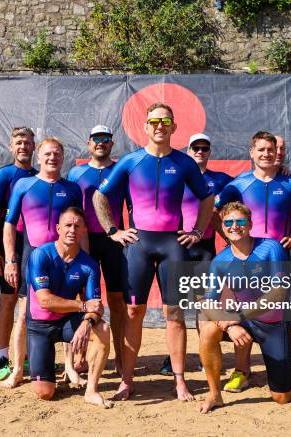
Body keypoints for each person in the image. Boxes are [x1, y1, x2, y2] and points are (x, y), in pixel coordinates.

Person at [93, 102, 214, 401]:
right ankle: (126, 380)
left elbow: (207, 198)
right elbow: (100, 197)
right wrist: (113, 231)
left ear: (173, 128)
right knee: (134, 311)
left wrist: (197, 231)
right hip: (139, 244)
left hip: (173, 244)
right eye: (154, 121)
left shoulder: (184, 164)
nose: (159, 125)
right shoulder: (131, 161)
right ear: (145, 127)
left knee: (175, 313)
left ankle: (180, 381)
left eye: (165, 121)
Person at [214, 130, 291, 392]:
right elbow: (216, 210)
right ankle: (241, 372)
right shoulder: (239, 184)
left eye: (270, 150)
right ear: (252, 153)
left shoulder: (290, 183)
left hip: (276, 259)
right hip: (245, 258)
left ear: (277, 153)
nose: (266, 154)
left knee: (278, 315)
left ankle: (290, 371)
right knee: (242, 315)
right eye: (261, 150)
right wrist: (230, 241)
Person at [198, 202, 291, 413]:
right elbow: (207, 302)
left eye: (240, 221)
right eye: (228, 222)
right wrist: (228, 326)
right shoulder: (221, 261)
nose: (234, 226)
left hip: (273, 324)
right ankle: (214, 394)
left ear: (250, 224)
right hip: (244, 321)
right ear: (223, 226)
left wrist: (237, 317)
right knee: (208, 328)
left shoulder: (271, 248)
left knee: (282, 397)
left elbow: (278, 293)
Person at [3, 137, 83, 387]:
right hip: (32, 257)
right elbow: (8, 225)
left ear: (63, 157)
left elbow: (79, 227)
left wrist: (84, 260)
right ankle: (17, 369)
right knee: (24, 315)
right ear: (38, 157)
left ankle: (69, 367)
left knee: (68, 310)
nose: (52, 158)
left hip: (66, 259)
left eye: (57, 154)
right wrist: (10, 260)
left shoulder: (72, 189)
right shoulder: (23, 185)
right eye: (47, 154)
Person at [160, 132, 233, 375]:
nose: (200, 152)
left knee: (206, 305)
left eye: (204, 148)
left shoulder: (221, 180)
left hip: (204, 250)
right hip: (176, 248)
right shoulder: (177, 176)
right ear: (188, 151)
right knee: (174, 308)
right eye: (195, 148)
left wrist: (283, 170)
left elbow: (251, 183)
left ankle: (206, 355)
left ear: (210, 151)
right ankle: (174, 359)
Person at [26, 207, 111, 407]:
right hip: (39, 327)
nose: (72, 230)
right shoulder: (40, 255)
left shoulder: (89, 264)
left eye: (77, 226)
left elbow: (96, 306)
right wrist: (82, 306)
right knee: (44, 393)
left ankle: (91, 390)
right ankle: (48, 374)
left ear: (83, 230)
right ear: (58, 228)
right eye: (67, 225)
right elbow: (45, 301)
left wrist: (88, 322)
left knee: (103, 329)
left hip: (66, 322)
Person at [68, 125, 126, 374]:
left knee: (117, 300)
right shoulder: (75, 173)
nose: (100, 142)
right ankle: (79, 356)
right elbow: (69, 212)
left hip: (114, 241)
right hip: (84, 242)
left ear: (111, 144)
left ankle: (122, 358)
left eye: (105, 139)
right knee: (83, 300)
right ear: (88, 143)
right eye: (96, 139)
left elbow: (134, 206)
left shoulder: (120, 170)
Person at [0, 127, 37, 382]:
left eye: (27, 142)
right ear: (10, 147)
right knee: (8, 301)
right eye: (18, 142)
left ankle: (25, 354)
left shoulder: (40, 176)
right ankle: (2, 357)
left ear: (34, 146)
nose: (23, 146)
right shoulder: (3, 175)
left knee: (31, 304)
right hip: (10, 250)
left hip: (34, 250)